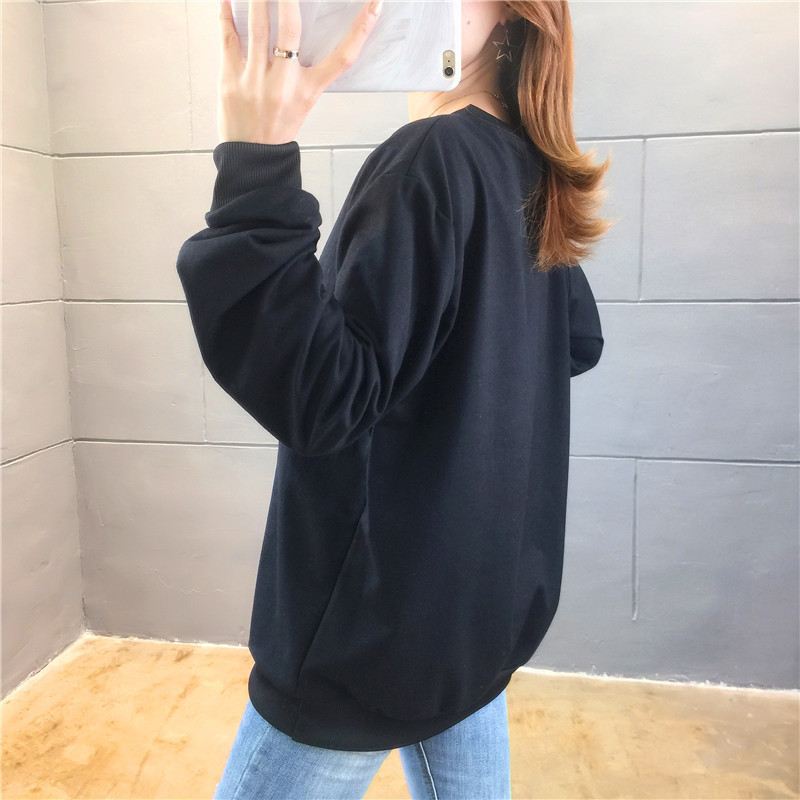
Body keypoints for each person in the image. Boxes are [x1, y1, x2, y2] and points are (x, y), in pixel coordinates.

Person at [176, 0, 611, 797]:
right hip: (473, 614)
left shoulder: (431, 160)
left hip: (374, 635)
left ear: (511, 15)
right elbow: (574, 342)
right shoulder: (521, 164)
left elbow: (324, 397)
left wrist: (256, 162)